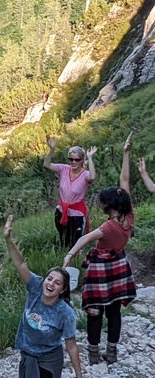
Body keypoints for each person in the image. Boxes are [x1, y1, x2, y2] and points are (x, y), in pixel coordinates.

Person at [3, 216, 93, 378]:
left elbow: (72, 345)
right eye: (49, 279)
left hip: (48, 361)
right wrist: (9, 239)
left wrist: (80, 377)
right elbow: (19, 262)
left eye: (57, 283)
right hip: (29, 355)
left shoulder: (65, 313)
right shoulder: (34, 288)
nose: (50, 284)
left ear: (63, 290)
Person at [63, 134, 136, 365]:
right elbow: (125, 179)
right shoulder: (128, 217)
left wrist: (68, 255)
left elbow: (84, 239)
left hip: (100, 269)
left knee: (95, 311)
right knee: (114, 311)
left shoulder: (106, 227)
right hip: (120, 265)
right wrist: (126, 153)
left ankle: (93, 352)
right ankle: (111, 351)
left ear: (106, 207)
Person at [43, 136, 97, 249]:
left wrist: (90, 158)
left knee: (75, 243)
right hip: (62, 210)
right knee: (63, 240)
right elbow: (47, 164)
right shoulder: (63, 169)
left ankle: (75, 262)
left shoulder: (85, 174)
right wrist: (51, 149)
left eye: (76, 159)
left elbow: (92, 176)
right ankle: (64, 261)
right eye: (71, 159)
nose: (73, 162)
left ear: (82, 160)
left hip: (77, 213)